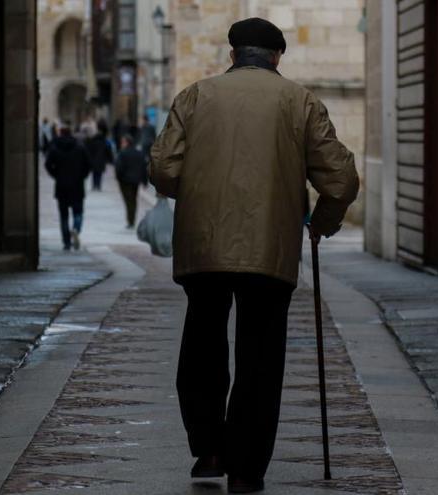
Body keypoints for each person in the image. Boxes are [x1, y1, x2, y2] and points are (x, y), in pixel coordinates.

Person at [150, 17, 359, 494]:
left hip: (203, 245)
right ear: (277, 58)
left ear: (232, 54)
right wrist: (321, 223)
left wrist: (200, 191)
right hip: (271, 248)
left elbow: (163, 168)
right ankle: (246, 469)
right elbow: (341, 179)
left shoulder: (195, 96)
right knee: (261, 357)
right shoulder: (300, 102)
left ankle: (208, 449)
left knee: (203, 343)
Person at [45, 123, 92, 251]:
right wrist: (82, 176)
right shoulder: (80, 147)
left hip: (61, 186)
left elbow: (48, 165)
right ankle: (76, 229)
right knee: (78, 212)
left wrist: (56, 175)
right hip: (77, 185)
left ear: (60, 133)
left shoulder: (55, 148)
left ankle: (66, 242)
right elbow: (88, 165)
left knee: (64, 216)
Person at [115, 134, 149, 228]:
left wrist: (118, 178)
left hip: (125, 181)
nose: (121, 144)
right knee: (133, 200)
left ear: (126, 142)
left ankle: (130, 221)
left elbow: (119, 168)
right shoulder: (139, 153)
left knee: (128, 201)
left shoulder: (122, 153)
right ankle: (132, 220)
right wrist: (144, 181)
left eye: (123, 142)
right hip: (135, 181)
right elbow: (144, 168)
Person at [84, 119, 114, 191]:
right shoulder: (104, 142)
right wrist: (111, 160)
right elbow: (108, 151)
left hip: (93, 159)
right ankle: (98, 185)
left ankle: (94, 185)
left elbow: (89, 150)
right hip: (101, 160)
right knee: (99, 173)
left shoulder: (92, 141)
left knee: (94, 173)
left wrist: (88, 159)